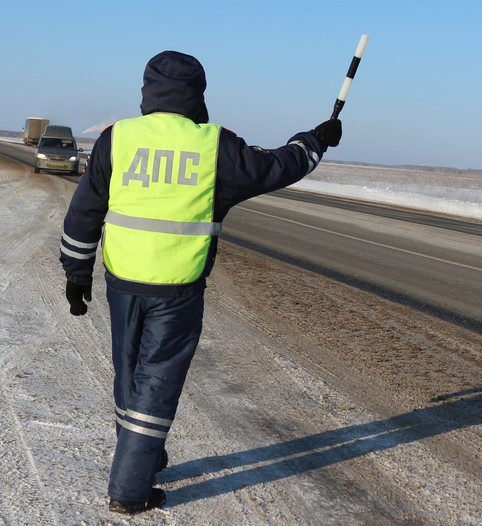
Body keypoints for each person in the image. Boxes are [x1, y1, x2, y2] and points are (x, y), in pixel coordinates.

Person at [59, 50, 341, 515]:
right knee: (157, 384)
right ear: (198, 96)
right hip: (178, 289)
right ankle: (130, 488)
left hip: (122, 282)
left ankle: (142, 458)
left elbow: (85, 209)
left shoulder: (118, 138)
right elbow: (276, 166)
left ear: (147, 92)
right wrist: (315, 141)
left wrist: (76, 272)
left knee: (129, 376)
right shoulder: (216, 147)